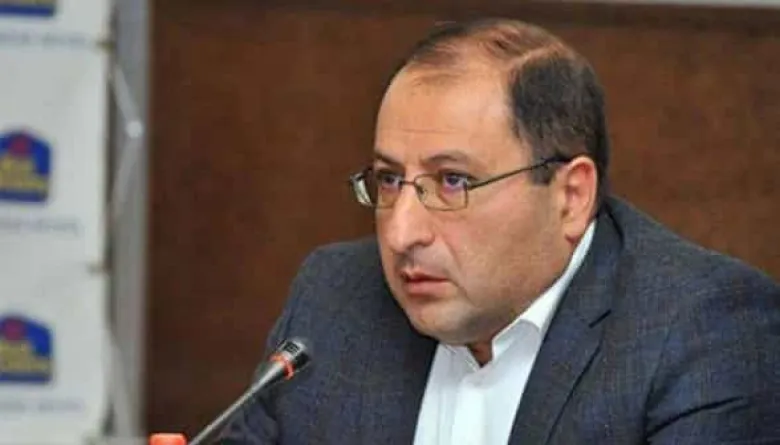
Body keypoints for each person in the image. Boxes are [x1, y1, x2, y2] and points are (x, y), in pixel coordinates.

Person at [219, 18, 780, 444]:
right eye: (389, 180)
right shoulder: (335, 299)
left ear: (570, 197)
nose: (401, 233)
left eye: (453, 181)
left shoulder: (702, 333)